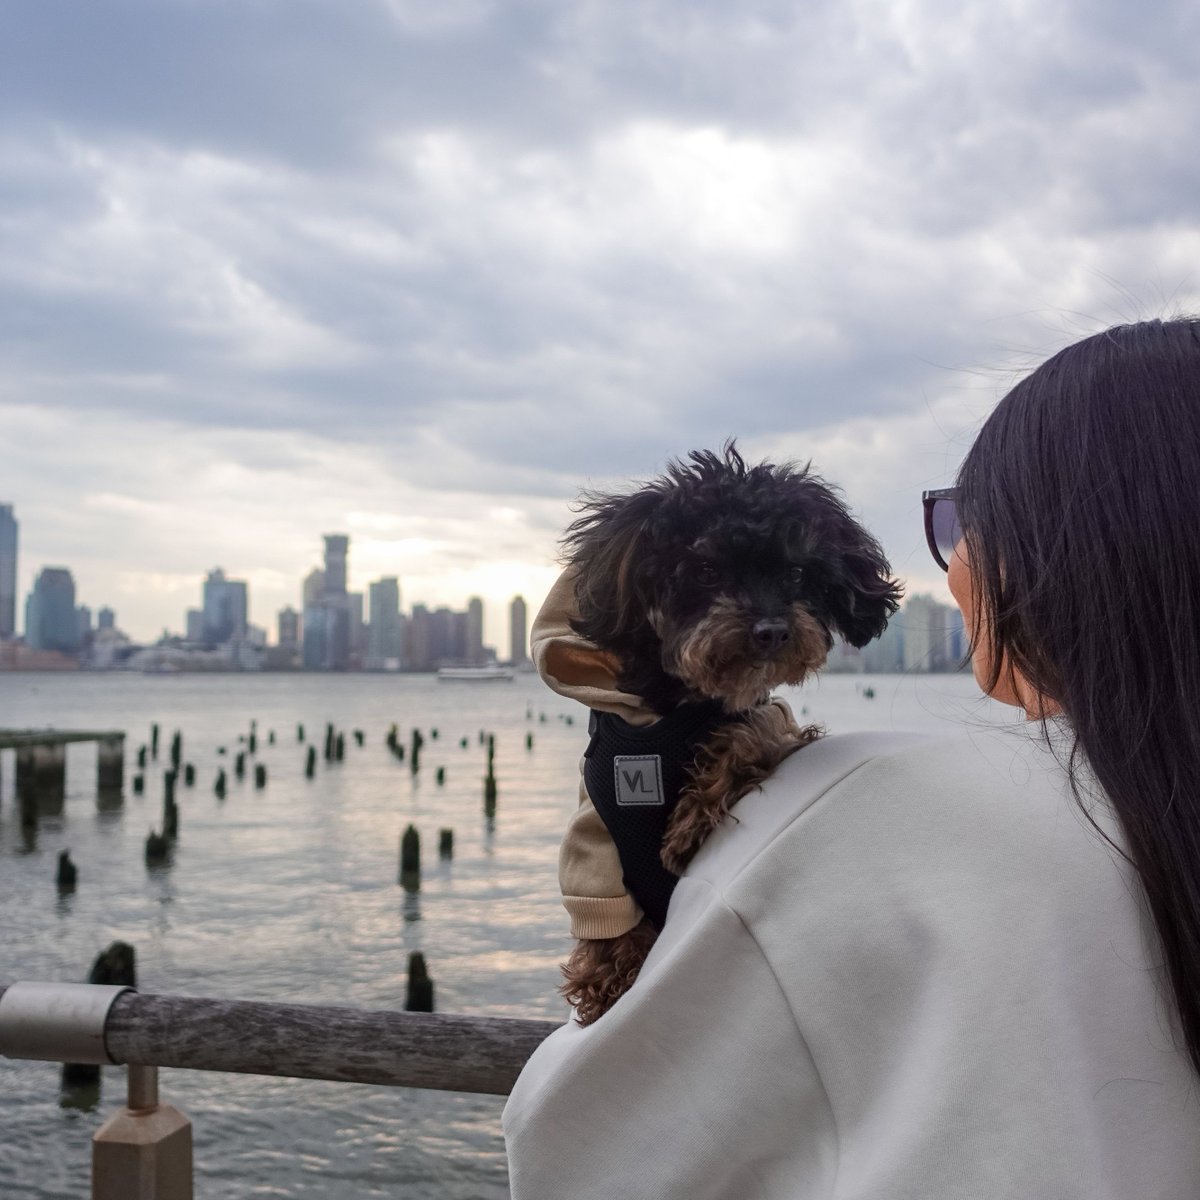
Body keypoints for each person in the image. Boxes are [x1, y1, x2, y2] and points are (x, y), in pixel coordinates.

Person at [502, 318, 1200, 1199]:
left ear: (1063, 551)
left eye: (961, 518)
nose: (952, 559)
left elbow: (575, 1150)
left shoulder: (837, 819)